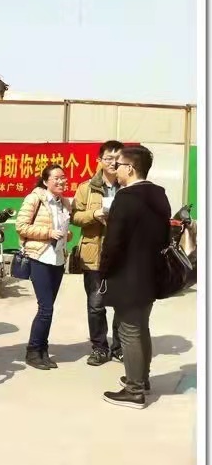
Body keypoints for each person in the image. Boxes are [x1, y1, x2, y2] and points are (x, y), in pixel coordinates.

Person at [100, 146, 170, 409]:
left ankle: (134, 391)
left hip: (128, 275)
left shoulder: (126, 197)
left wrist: (104, 271)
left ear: (129, 168)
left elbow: (114, 243)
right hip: (151, 273)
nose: (114, 169)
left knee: (129, 331)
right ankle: (142, 379)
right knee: (141, 328)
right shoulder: (159, 194)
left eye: (118, 165)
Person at [72, 140, 125, 366]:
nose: (113, 163)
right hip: (94, 253)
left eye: (118, 159)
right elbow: (75, 216)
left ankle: (119, 347)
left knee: (123, 304)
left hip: (123, 256)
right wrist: (93, 215)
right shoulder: (86, 187)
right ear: (99, 161)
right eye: (109, 158)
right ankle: (99, 348)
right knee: (96, 305)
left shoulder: (129, 186)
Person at [15, 164, 73, 370]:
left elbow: (64, 229)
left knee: (48, 308)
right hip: (39, 257)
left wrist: (66, 235)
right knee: (46, 308)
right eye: (56, 178)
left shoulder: (64, 202)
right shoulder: (35, 198)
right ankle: (33, 351)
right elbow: (21, 226)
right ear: (46, 181)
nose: (61, 181)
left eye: (63, 178)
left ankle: (42, 350)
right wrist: (48, 233)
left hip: (57, 259)